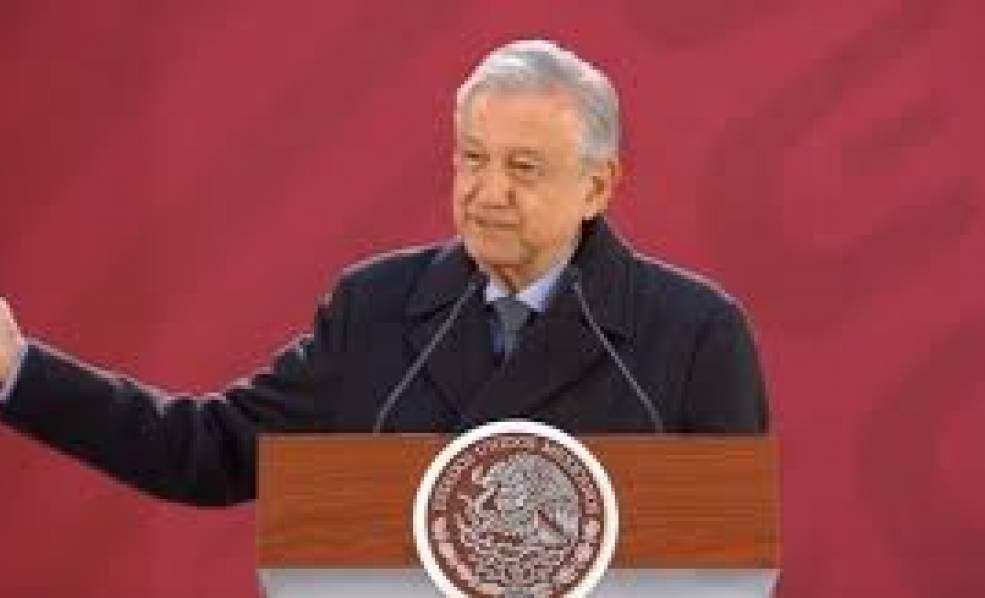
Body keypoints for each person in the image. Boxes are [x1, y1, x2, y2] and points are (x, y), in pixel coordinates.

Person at [0, 40, 768, 507]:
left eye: (523, 168)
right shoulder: (374, 308)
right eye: (473, 158)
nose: (487, 191)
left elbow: (728, 563)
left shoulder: (695, 332)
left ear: (597, 186)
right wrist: (19, 371)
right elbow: (207, 451)